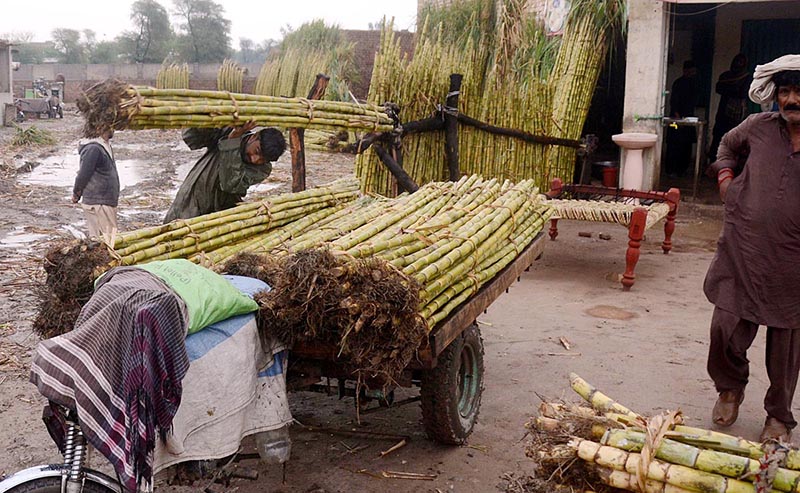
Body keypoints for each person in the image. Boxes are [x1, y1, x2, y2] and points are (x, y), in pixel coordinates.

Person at [704, 54, 800, 442]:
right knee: (724, 328)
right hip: (743, 250)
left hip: (793, 263)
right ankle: (730, 388)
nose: (792, 99)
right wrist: (726, 178)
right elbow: (727, 145)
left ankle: (778, 416)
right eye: (785, 92)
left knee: (786, 347)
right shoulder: (757, 126)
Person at [164, 122, 286, 223]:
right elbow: (191, 137)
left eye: (263, 159)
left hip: (219, 216)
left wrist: (232, 141)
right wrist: (215, 120)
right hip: (189, 200)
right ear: (255, 136)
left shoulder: (262, 169)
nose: (255, 159)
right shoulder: (227, 131)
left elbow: (230, 184)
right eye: (257, 151)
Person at [72, 128, 119, 240]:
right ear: (101, 127)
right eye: (111, 126)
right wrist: (76, 193)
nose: (113, 129)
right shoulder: (93, 148)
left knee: (108, 239)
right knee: (105, 241)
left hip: (104, 201)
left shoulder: (104, 145)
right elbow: (83, 174)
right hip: (99, 202)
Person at [709, 54, 751, 162]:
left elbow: (742, 93)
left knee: (735, 140)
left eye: (741, 62)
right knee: (718, 138)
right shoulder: (726, 75)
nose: (738, 64)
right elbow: (719, 88)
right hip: (723, 112)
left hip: (738, 114)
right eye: (737, 61)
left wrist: (730, 89)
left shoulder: (746, 77)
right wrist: (734, 88)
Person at [665, 60, 699, 176]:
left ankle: (682, 170)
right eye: (691, 70)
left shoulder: (694, 84)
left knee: (686, 145)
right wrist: (677, 117)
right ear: (685, 70)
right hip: (676, 120)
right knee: (674, 144)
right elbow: (674, 102)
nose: (692, 73)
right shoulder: (678, 83)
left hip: (688, 119)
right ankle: (672, 170)